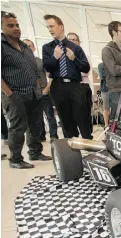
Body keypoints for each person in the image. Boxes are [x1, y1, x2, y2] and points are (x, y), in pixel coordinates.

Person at [1, 11, 52, 169]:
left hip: (33, 93)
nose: (16, 28)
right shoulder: (2, 47)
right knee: (17, 128)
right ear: (2, 27)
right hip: (14, 95)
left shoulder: (25, 47)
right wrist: (9, 93)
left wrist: (37, 87)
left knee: (35, 125)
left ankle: (35, 152)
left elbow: (34, 69)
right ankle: (15, 160)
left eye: (17, 25)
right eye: (11, 25)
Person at [42, 14, 92, 140]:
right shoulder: (47, 48)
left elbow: (85, 68)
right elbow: (47, 67)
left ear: (61, 27)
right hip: (58, 87)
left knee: (82, 117)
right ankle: (71, 148)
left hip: (75, 86)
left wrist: (74, 59)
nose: (50, 29)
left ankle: (88, 143)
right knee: (65, 120)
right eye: (48, 27)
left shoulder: (75, 48)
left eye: (52, 26)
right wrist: (55, 58)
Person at [23, 39, 59, 143]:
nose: (28, 47)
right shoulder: (21, 63)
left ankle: (53, 135)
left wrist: (46, 89)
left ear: (34, 48)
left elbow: (51, 76)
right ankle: (41, 135)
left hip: (43, 92)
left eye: (30, 46)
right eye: (25, 45)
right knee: (36, 117)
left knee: (49, 115)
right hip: (30, 94)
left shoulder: (41, 61)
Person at [67, 32, 93, 134]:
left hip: (83, 87)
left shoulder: (85, 56)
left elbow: (85, 72)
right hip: (69, 88)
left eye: (74, 40)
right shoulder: (63, 58)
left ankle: (88, 136)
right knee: (71, 115)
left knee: (85, 115)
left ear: (78, 42)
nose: (72, 42)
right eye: (69, 40)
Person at [98, 62, 109, 128]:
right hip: (105, 89)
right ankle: (106, 125)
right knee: (106, 108)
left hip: (114, 89)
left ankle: (113, 124)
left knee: (114, 109)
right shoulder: (101, 65)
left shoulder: (114, 64)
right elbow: (103, 76)